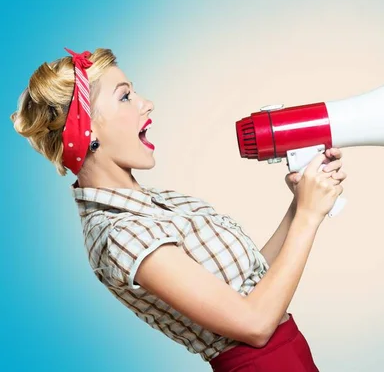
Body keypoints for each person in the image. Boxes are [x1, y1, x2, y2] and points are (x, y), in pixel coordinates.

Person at [10, 48, 347, 372]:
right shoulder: (121, 234)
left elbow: (250, 283)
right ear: (89, 130)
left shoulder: (160, 203)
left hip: (290, 355)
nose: (147, 104)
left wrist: (299, 202)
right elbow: (255, 324)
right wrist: (308, 216)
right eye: (125, 96)